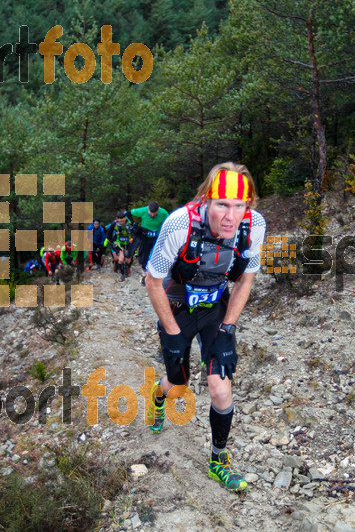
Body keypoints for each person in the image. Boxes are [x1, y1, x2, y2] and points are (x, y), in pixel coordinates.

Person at [144, 162, 265, 492]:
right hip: (177, 308)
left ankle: (218, 459)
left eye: (239, 205)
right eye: (222, 204)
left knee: (220, 387)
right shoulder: (179, 223)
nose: (230, 215)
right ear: (206, 200)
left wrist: (228, 329)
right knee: (177, 384)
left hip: (215, 309)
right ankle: (158, 396)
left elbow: (245, 280)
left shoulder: (253, 226)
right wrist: (170, 332)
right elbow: (153, 281)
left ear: (248, 205)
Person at [127, 201, 169, 285]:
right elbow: (127, 213)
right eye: (151, 213)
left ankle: (156, 276)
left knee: (157, 255)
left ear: (158, 209)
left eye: (155, 213)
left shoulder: (163, 213)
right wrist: (133, 223)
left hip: (157, 237)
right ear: (148, 208)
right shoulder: (143, 210)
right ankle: (144, 275)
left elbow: (168, 222)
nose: (152, 215)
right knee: (144, 256)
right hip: (145, 236)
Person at [105, 211, 135, 281]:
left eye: (123, 221)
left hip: (129, 243)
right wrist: (113, 242)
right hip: (119, 243)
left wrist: (133, 241)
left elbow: (136, 234)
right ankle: (122, 273)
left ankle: (127, 268)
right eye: (120, 221)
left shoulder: (130, 223)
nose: (122, 223)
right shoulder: (114, 224)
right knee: (121, 259)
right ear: (117, 219)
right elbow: (108, 234)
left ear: (125, 218)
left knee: (128, 260)